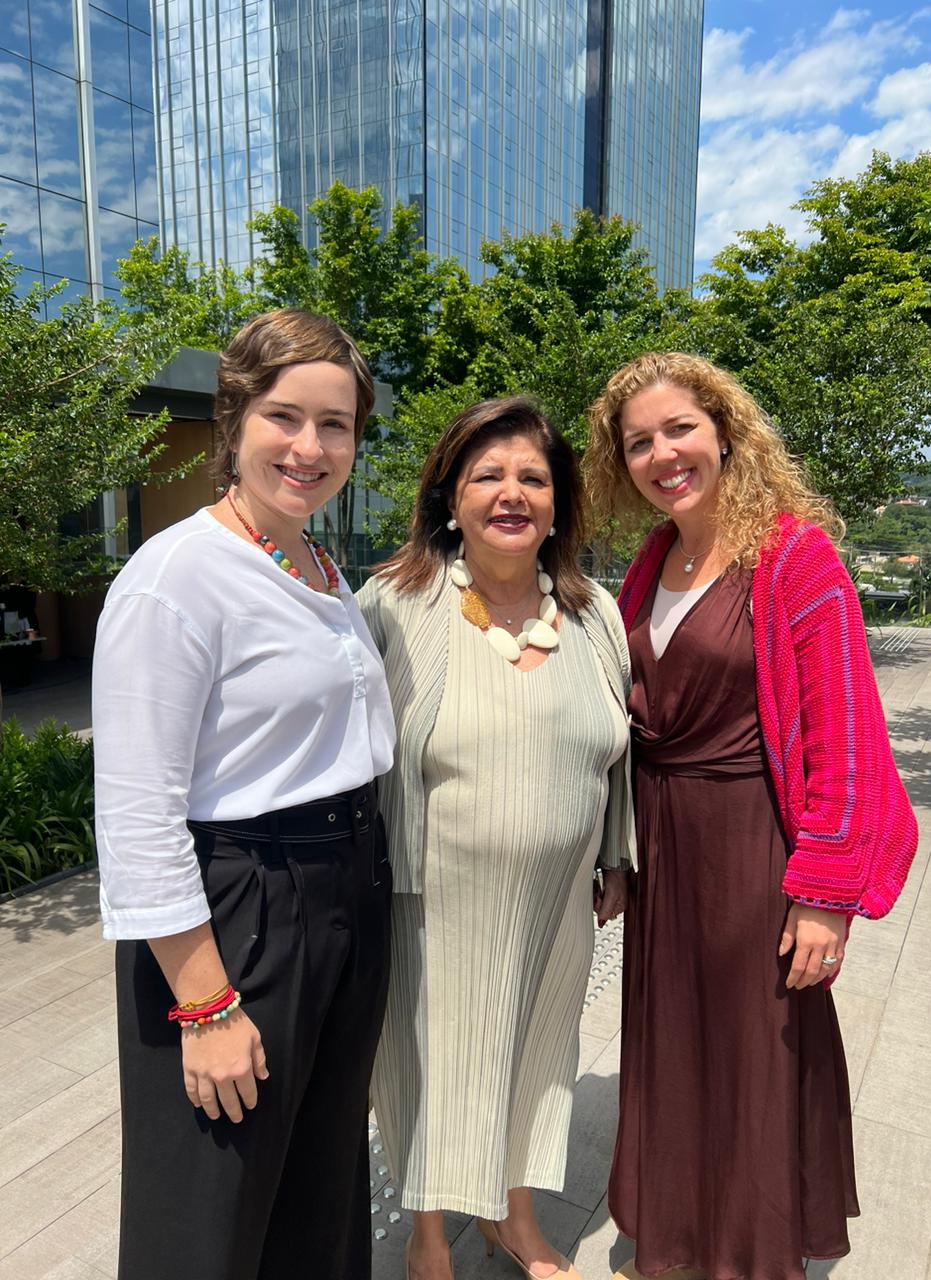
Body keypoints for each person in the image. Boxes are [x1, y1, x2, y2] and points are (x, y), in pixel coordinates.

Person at [583, 352, 918, 1280]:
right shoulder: (650, 563)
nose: (662, 453)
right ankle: (681, 1232)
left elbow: (844, 733)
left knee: (755, 1051)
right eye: (639, 441)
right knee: (672, 1042)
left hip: (752, 844)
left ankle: (752, 1250)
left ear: (725, 432)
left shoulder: (792, 555)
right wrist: (613, 849)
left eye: (679, 429)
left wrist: (825, 896)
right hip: (663, 843)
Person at [92, 309, 395, 1280]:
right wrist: (206, 1002)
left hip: (343, 884)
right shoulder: (175, 578)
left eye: (337, 423)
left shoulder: (312, 560)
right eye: (285, 416)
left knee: (318, 1191)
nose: (311, 446)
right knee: (210, 1214)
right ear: (235, 418)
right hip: (243, 911)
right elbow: (138, 812)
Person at [357, 397, 635, 1280]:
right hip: (436, 899)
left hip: (557, 901)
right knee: (439, 1064)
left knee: (537, 1054)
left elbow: (620, 757)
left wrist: (615, 855)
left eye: (533, 478)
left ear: (558, 505)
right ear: (449, 497)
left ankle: (513, 1219)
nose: (511, 494)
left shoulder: (594, 615)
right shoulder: (394, 606)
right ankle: (430, 1237)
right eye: (488, 476)